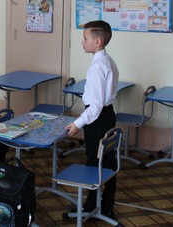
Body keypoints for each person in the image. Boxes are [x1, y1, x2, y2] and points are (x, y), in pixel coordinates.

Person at [65, 20, 119, 218]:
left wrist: (77, 123)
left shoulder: (97, 67)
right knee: (108, 162)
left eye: (85, 38)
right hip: (108, 115)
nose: (82, 42)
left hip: (97, 120)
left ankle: (89, 207)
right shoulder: (108, 60)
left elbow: (95, 107)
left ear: (98, 42)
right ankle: (107, 205)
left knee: (94, 163)